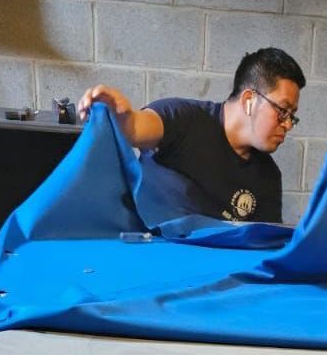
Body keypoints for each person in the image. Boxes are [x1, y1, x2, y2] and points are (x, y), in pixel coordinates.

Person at [77, 47, 306, 225]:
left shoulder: (268, 176)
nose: (287, 124)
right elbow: (135, 128)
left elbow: (262, 246)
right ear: (249, 99)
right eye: (282, 111)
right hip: (145, 257)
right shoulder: (182, 117)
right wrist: (120, 119)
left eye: (291, 116)